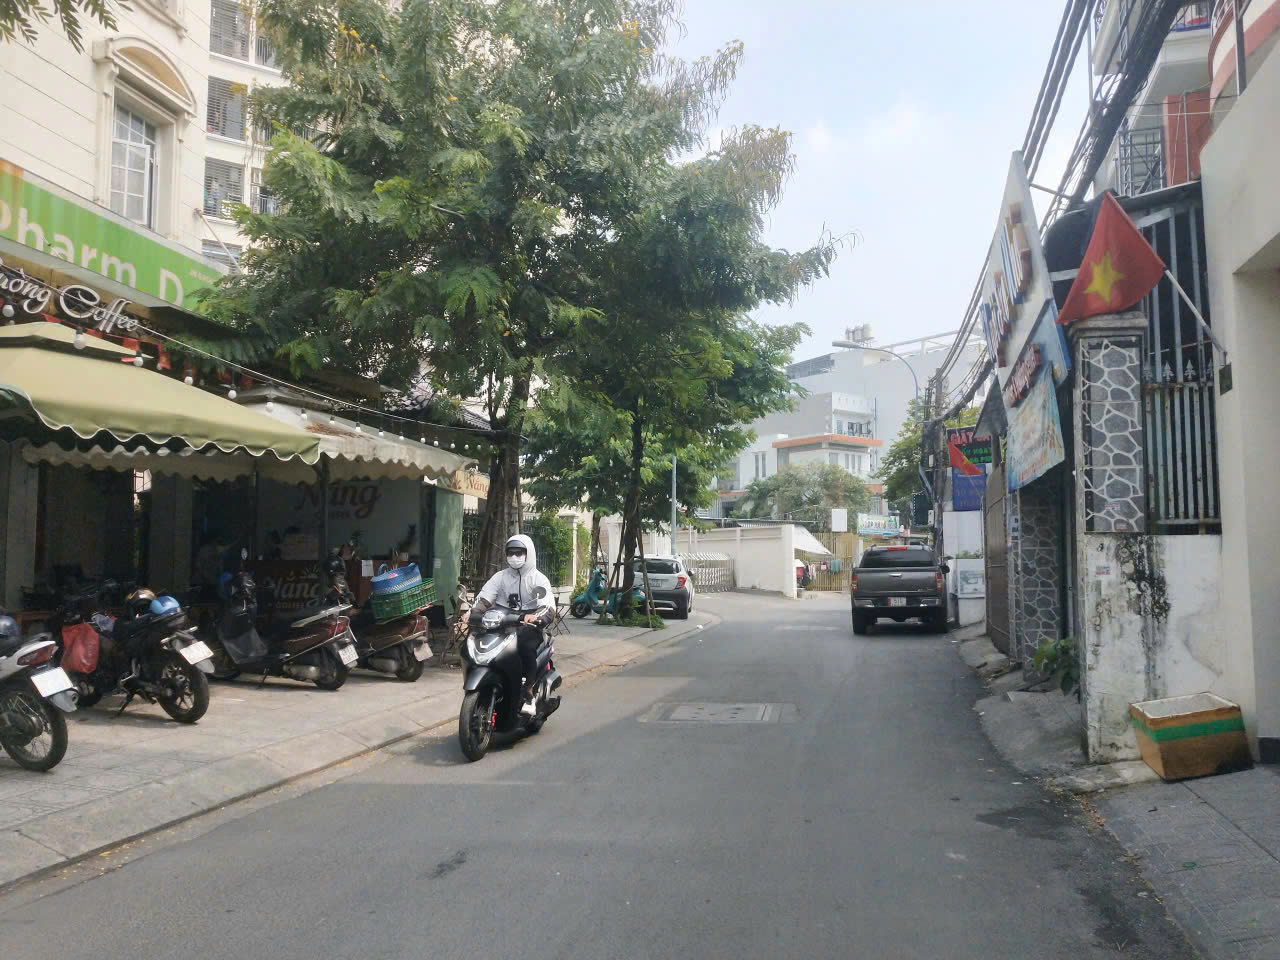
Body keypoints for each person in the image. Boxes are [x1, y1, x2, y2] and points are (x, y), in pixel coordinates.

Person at [461, 534, 553, 716]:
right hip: (502, 623)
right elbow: (485, 598)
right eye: (511, 553)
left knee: (524, 646)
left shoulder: (538, 579)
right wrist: (472, 612)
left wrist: (535, 617)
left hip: (528, 625)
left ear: (529, 554)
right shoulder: (500, 577)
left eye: (519, 553)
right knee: (474, 641)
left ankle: (528, 692)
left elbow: (547, 607)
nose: (514, 557)